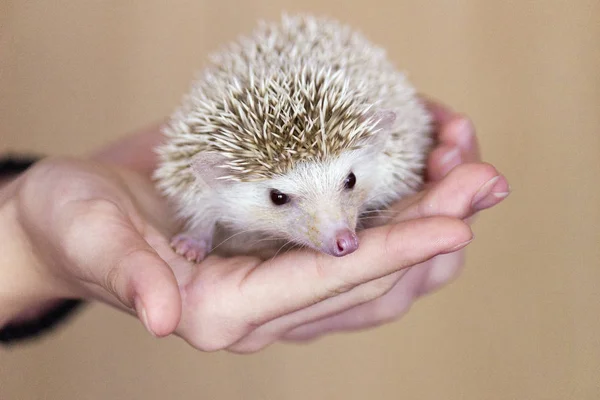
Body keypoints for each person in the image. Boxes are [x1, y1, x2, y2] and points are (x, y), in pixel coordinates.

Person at [0, 98, 509, 352]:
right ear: (219, 179)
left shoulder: (380, 150)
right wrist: (23, 241)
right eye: (282, 197)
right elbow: (193, 205)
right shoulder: (208, 180)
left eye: (349, 183)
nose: (340, 231)